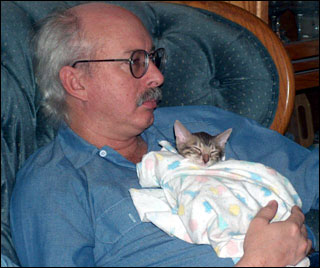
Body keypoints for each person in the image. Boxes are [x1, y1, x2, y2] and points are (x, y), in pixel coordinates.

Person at [10, 2, 318, 267]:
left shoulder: (201, 123)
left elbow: (311, 174)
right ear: (77, 82)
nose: (157, 76)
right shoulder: (52, 186)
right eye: (135, 62)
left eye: (153, 59)